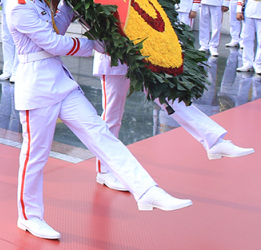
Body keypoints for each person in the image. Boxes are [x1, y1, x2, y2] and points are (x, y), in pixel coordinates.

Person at [1, 0, 191, 241]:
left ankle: (146, 189)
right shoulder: (17, 4)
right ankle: (29, 216)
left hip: (60, 82)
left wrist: (68, 4)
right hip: (36, 87)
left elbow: (56, 27)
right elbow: (52, 42)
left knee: (100, 134)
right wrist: (95, 45)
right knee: (36, 155)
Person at [93, 50, 252, 191]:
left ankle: (213, 140)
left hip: (140, 58)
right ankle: (104, 170)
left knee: (171, 99)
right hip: (113, 61)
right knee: (112, 118)